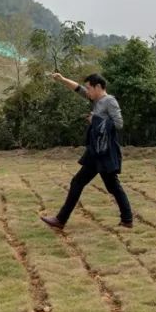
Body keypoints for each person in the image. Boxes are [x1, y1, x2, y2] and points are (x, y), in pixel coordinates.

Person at [41, 72, 133, 230]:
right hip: (95, 151)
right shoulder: (95, 99)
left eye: (90, 88)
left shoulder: (109, 101)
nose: (87, 91)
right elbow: (78, 88)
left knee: (109, 186)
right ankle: (126, 219)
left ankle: (127, 219)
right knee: (83, 183)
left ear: (98, 87)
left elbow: (118, 124)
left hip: (104, 151)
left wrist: (95, 120)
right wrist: (62, 79)